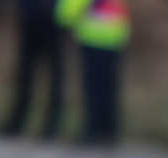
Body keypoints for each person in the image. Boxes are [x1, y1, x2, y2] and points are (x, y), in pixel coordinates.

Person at [54, 0, 130, 145]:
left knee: (94, 87)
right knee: (109, 87)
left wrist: (64, 20)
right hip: (115, 35)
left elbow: (73, 5)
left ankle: (94, 130)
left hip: (93, 36)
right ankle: (109, 130)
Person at [1, 0, 64, 139]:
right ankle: (17, 121)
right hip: (30, 17)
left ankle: (52, 124)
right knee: (25, 74)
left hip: (55, 19)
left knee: (55, 76)